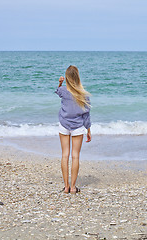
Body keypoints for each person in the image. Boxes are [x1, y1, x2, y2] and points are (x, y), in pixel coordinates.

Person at [55, 65, 91, 194]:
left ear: (67, 78)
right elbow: (86, 114)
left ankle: (66, 187)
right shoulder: (83, 94)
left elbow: (57, 91)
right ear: (77, 77)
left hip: (64, 125)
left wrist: (60, 83)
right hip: (78, 127)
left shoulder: (64, 91)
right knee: (75, 156)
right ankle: (73, 187)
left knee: (65, 155)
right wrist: (88, 130)